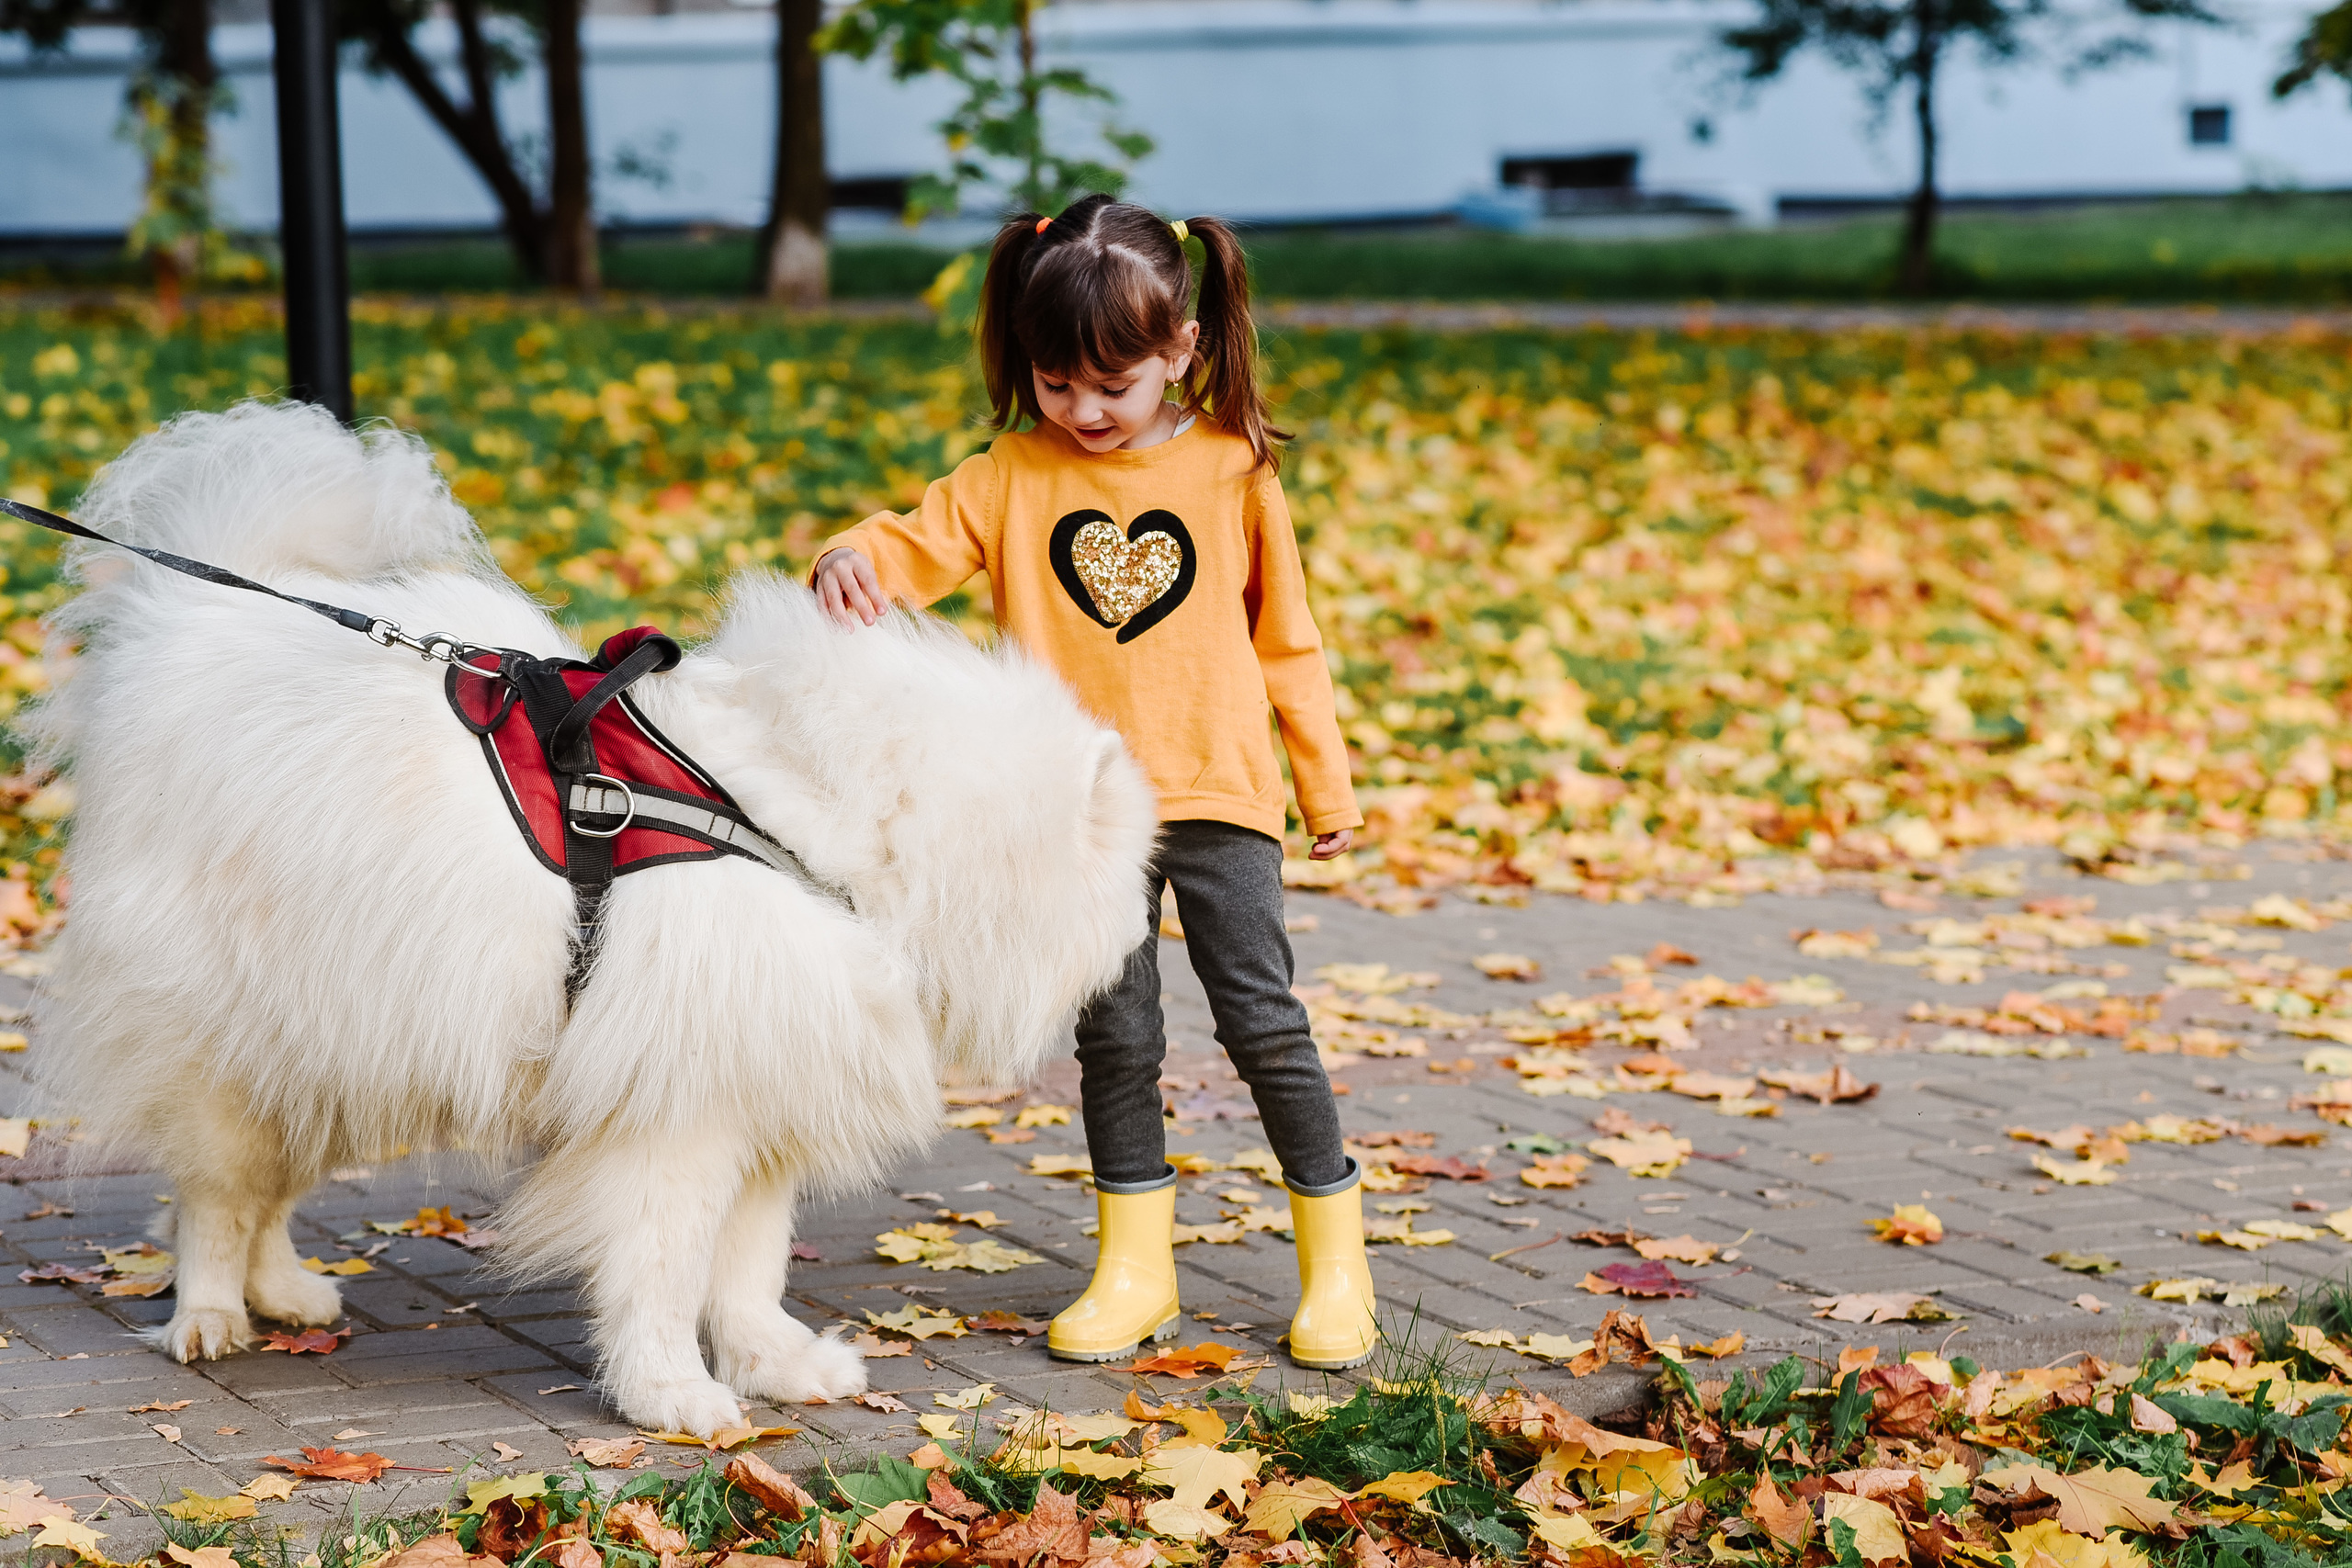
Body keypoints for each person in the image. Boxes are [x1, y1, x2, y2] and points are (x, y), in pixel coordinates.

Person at [808, 193, 1376, 1370]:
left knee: (1262, 1021)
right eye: (1055, 383)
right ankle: (1135, 1271)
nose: (1082, 411)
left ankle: (1338, 1267)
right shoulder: (1011, 474)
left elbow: (1288, 640)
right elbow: (911, 540)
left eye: (1111, 386)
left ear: (1181, 349)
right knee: (1114, 1037)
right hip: (1078, 813)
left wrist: (1324, 788)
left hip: (1217, 794)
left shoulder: (1233, 469)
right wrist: (848, 555)